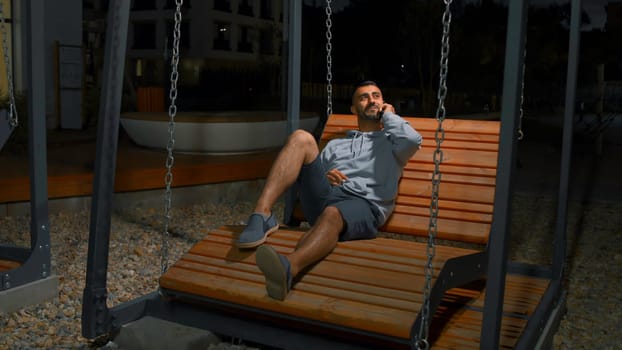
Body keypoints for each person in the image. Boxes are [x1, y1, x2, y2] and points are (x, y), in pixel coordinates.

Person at [236, 80, 423, 300]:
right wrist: (325, 176)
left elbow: (413, 139)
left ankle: (289, 267)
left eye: (376, 96)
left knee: (333, 213)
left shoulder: (394, 143)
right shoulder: (337, 145)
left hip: (363, 205)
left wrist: (389, 116)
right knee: (301, 138)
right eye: (364, 97)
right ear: (354, 109)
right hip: (326, 197)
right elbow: (310, 175)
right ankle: (262, 214)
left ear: (384, 103)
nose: (372, 100)